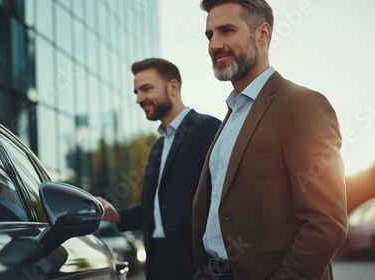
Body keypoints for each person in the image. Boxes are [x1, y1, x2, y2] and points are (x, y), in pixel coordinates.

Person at [192, 1, 348, 279]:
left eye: (227, 30)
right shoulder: (231, 116)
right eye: (209, 35)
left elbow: (325, 223)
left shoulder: (302, 105)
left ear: (262, 34)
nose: (214, 45)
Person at [97, 58, 221, 280]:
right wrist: (116, 215)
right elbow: (156, 207)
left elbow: (225, 200)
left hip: (196, 266)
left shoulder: (208, 129)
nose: (139, 98)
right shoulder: (157, 147)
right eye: (136, 91)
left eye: (146, 89)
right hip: (158, 266)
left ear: (173, 87)